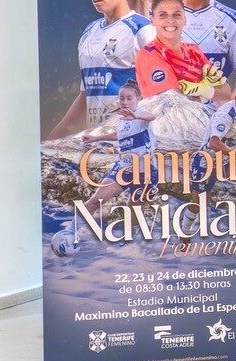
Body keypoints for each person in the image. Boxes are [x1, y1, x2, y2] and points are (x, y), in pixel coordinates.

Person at [46, 0, 155, 138]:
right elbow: (84, 96)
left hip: (131, 141)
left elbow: (159, 95)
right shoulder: (89, 32)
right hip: (97, 141)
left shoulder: (142, 29)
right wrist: (53, 137)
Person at [51, 81, 159, 253]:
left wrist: (137, 116)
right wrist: (96, 138)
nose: (125, 102)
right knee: (97, 200)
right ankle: (70, 231)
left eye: (129, 98)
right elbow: (120, 134)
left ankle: (130, 241)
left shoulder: (140, 114)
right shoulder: (123, 119)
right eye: (122, 98)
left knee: (134, 209)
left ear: (138, 98)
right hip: (123, 167)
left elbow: (151, 117)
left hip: (145, 171)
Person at [135, 0, 231, 103]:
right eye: (163, 15)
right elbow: (172, 100)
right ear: (152, 20)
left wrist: (205, 90)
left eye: (176, 15)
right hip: (165, 120)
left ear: (184, 20)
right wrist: (206, 91)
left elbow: (226, 93)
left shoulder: (194, 51)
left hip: (203, 118)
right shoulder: (149, 54)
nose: (170, 20)